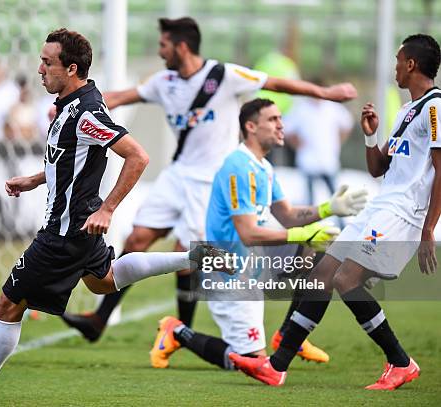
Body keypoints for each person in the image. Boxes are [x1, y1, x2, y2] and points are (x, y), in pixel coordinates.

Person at [0, 28, 229, 400]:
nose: (39, 69)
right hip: (80, 226)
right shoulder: (72, 104)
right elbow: (71, 160)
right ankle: (193, 257)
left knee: (8, 303)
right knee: (104, 281)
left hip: (64, 233)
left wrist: (108, 208)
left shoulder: (86, 112)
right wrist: (37, 179)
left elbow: (138, 156)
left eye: (47, 62)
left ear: (70, 69)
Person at [61, 16, 357, 343]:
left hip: (210, 180)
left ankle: (178, 333)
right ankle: (100, 320)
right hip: (177, 173)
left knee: (187, 251)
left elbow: (274, 83)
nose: (160, 52)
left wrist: (326, 94)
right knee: (136, 240)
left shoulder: (224, 75)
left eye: (163, 45)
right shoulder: (164, 82)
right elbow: (121, 97)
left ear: (181, 46)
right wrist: (72, 105)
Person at [230, 34, 441, 390]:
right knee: (322, 274)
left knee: (346, 280)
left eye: (398, 60)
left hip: (403, 213)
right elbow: (378, 168)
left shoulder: (436, 108)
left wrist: (427, 229)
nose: (394, 68)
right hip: (381, 204)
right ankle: (277, 367)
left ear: (411, 64)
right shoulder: (408, 110)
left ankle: (401, 363)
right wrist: (370, 137)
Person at [149, 98, 367, 370]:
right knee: (253, 363)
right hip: (227, 268)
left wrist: (328, 207)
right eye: (273, 119)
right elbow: (248, 233)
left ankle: (289, 334)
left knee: (318, 259)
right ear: (251, 127)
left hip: (254, 260)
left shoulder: (263, 167)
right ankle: (177, 330)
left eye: (280, 119)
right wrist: (301, 235)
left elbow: (286, 215)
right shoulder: (239, 167)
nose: (281, 125)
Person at [283, 84, 354, 206]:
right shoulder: (301, 108)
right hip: (308, 159)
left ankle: (341, 223)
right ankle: (310, 223)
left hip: (328, 159)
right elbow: (286, 129)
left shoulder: (333, 107)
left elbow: (347, 124)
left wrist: (339, 141)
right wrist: (296, 143)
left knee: (335, 195)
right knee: (310, 198)